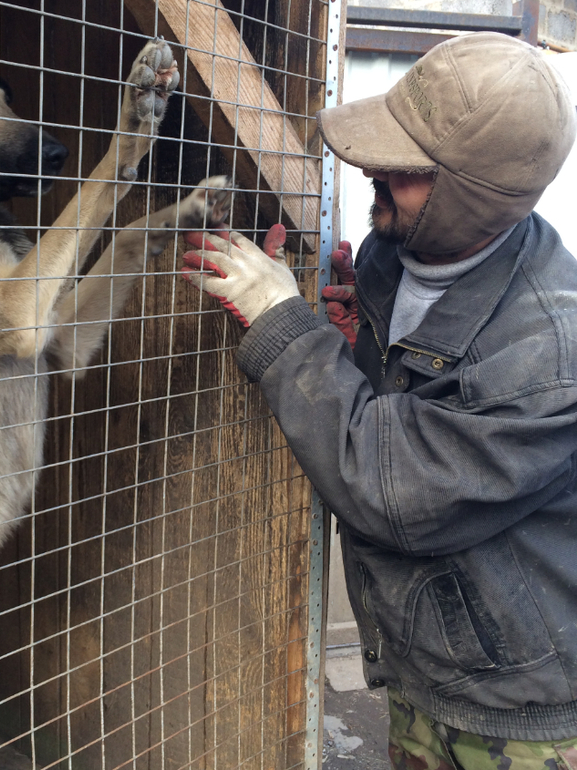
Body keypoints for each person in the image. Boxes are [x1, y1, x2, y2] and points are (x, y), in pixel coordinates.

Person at [180, 32, 577, 770]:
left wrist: (283, 325)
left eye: (406, 167)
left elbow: (393, 489)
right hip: (417, 666)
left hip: (520, 714)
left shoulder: (550, 355)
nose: (371, 169)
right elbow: (400, 396)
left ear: (472, 194)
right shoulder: (393, 253)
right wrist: (354, 340)